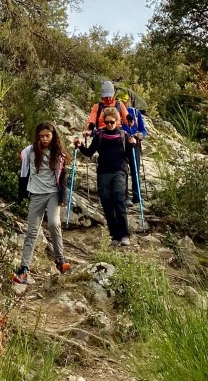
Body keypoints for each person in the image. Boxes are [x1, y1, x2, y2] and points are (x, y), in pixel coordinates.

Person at [14, 121, 72, 286]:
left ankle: (60, 260)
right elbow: (23, 165)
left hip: (53, 193)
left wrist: (62, 197)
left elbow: (62, 176)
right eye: (41, 136)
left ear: (53, 136)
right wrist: (22, 193)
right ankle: (24, 270)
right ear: (37, 137)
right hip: (36, 194)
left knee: (54, 223)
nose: (45, 139)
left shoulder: (58, 153)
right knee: (32, 231)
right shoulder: (30, 151)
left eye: (48, 136)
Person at [75, 105, 135, 247]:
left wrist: (132, 145)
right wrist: (80, 146)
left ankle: (124, 235)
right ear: (103, 122)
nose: (109, 125)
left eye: (112, 122)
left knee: (119, 200)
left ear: (117, 121)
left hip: (119, 172)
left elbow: (129, 156)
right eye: (107, 122)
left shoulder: (124, 136)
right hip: (103, 173)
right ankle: (115, 236)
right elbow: (89, 152)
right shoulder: (100, 135)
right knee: (107, 204)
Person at [121, 91, 147, 206]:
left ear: (129, 100)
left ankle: (137, 197)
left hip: (135, 143)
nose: (124, 104)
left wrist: (141, 135)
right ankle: (125, 196)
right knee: (123, 170)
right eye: (121, 101)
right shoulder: (117, 113)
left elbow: (143, 130)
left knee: (135, 170)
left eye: (125, 101)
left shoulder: (136, 113)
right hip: (122, 143)